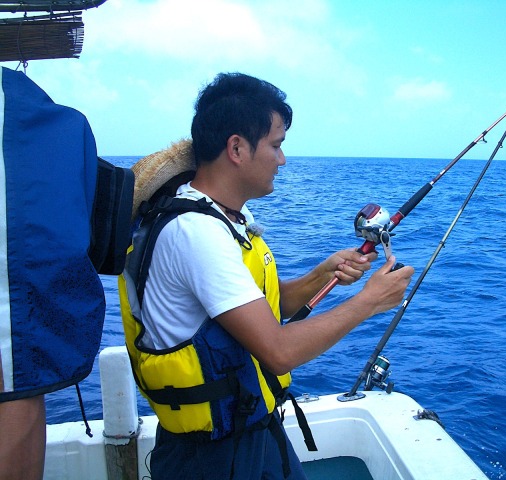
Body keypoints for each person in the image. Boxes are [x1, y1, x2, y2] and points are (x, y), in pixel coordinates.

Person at [119, 72, 414, 480]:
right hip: (214, 460)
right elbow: (277, 351)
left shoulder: (220, 218)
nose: (282, 160)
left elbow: (256, 309)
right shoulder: (196, 233)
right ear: (237, 148)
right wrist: (369, 302)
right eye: (276, 145)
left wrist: (322, 274)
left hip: (249, 436)